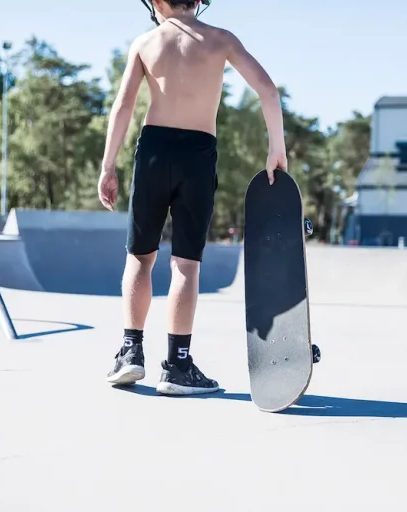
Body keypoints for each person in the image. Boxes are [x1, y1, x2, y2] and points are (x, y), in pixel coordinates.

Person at [97, 0, 287, 395]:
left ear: (158, 2)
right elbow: (268, 91)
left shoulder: (145, 43)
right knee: (186, 264)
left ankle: (131, 352)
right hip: (198, 156)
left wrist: (107, 166)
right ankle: (178, 366)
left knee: (140, 256)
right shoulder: (220, 40)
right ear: (199, 1)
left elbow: (125, 104)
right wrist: (276, 150)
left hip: (153, 150)